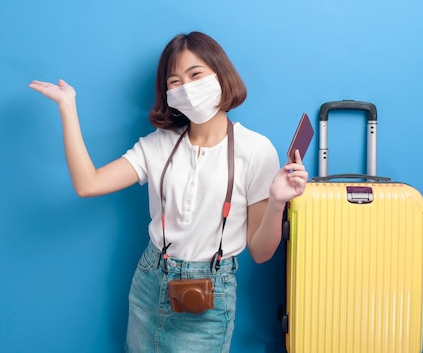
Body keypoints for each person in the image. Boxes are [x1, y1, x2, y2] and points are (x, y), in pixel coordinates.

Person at [28, 31, 308, 353]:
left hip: (209, 293)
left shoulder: (256, 150)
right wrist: (68, 106)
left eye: (195, 74)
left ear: (221, 75)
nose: (186, 88)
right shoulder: (158, 145)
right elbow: (87, 184)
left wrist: (276, 203)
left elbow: (260, 252)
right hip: (151, 280)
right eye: (174, 81)